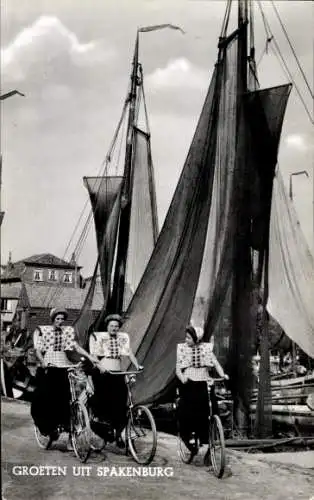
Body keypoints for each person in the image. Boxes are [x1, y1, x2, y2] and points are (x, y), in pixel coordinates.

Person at [31, 307, 97, 440]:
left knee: (66, 395)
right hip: (50, 363)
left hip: (63, 363)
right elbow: (37, 350)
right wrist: (43, 361)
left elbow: (76, 347)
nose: (60, 321)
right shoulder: (45, 331)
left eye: (62, 319)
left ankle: (68, 428)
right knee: (48, 396)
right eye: (57, 319)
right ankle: (49, 426)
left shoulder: (67, 332)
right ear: (53, 319)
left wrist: (90, 356)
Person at [88, 314, 142, 448]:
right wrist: (100, 367)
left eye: (117, 326)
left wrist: (137, 365)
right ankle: (104, 427)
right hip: (104, 373)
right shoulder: (100, 338)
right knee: (105, 400)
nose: (114, 328)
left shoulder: (122, 338)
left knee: (121, 401)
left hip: (117, 373)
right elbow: (94, 356)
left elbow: (129, 353)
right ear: (107, 327)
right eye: (112, 326)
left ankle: (119, 432)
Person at [176, 324, 228, 453]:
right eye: (186, 337)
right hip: (189, 383)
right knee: (187, 412)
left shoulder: (205, 349)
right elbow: (178, 368)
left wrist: (223, 375)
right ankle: (187, 438)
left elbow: (215, 363)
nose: (186, 340)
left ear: (196, 339)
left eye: (189, 338)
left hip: (204, 383)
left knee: (210, 411)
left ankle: (208, 440)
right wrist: (182, 377)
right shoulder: (183, 349)